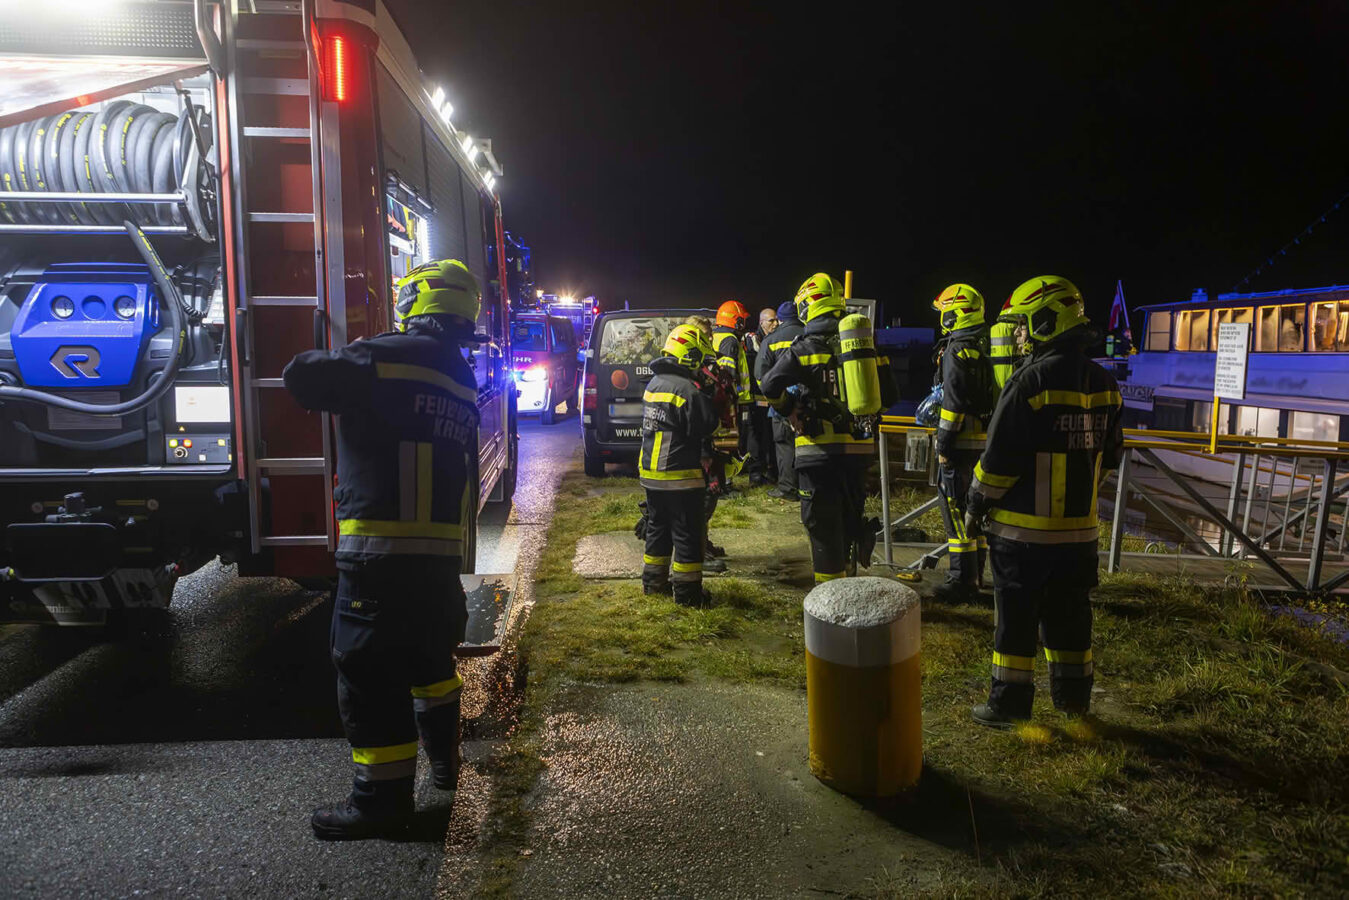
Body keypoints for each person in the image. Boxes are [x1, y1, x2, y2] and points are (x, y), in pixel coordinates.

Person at [283, 259, 481, 840]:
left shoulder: (382, 357)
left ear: (414, 302)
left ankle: (381, 803)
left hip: (377, 558)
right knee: (431, 663)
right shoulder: (460, 376)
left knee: (370, 677)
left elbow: (301, 377)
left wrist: (349, 344)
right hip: (437, 562)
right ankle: (445, 765)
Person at [965, 275, 1123, 728]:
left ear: (1045, 321)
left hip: (1023, 535)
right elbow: (1110, 458)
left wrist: (975, 503)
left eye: (1022, 325)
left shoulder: (1028, 382)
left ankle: (1009, 706)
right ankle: (1073, 702)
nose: (1018, 334)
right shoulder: (1106, 383)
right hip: (1080, 536)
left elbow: (999, 461)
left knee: (1016, 623)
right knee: (1071, 619)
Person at [761, 273, 895, 583]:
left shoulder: (805, 347)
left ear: (807, 306)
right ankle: (849, 582)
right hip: (859, 454)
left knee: (822, 527)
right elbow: (890, 397)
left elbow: (769, 385)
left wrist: (788, 409)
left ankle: (828, 596)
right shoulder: (865, 344)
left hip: (817, 454)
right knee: (850, 519)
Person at [640, 323, 722, 606]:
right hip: (680, 476)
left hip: (652, 476)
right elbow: (706, 425)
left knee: (658, 529)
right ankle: (688, 595)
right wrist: (710, 395)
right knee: (687, 534)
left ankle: (654, 583)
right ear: (690, 356)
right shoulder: (687, 389)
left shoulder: (654, 384)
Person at [930, 283, 996, 603]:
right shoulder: (987, 346)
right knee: (975, 512)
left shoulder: (956, 349)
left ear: (956, 314)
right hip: (986, 444)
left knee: (955, 513)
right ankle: (977, 577)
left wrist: (943, 445)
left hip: (960, 446)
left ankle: (961, 582)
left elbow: (952, 404)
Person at [756, 300, 804, 500]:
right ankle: (808, 487)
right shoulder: (809, 334)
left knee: (784, 444)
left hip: (781, 399)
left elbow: (761, 376)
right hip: (809, 399)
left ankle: (788, 488)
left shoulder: (771, 340)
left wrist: (780, 402)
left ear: (781, 320)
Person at [711, 300, 757, 482]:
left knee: (721, 440)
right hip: (730, 399)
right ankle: (726, 481)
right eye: (742, 320)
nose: (744, 324)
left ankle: (722, 480)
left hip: (718, 397)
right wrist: (734, 394)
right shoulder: (729, 340)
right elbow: (729, 372)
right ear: (736, 321)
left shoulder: (715, 337)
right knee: (728, 441)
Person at [744, 307, 779, 484]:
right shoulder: (752, 340)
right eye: (771, 320)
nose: (775, 323)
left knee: (772, 433)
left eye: (776, 320)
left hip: (772, 395)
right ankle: (756, 472)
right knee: (756, 433)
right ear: (762, 322)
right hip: (757, 396)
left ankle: (772, 469)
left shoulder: (776, 338)